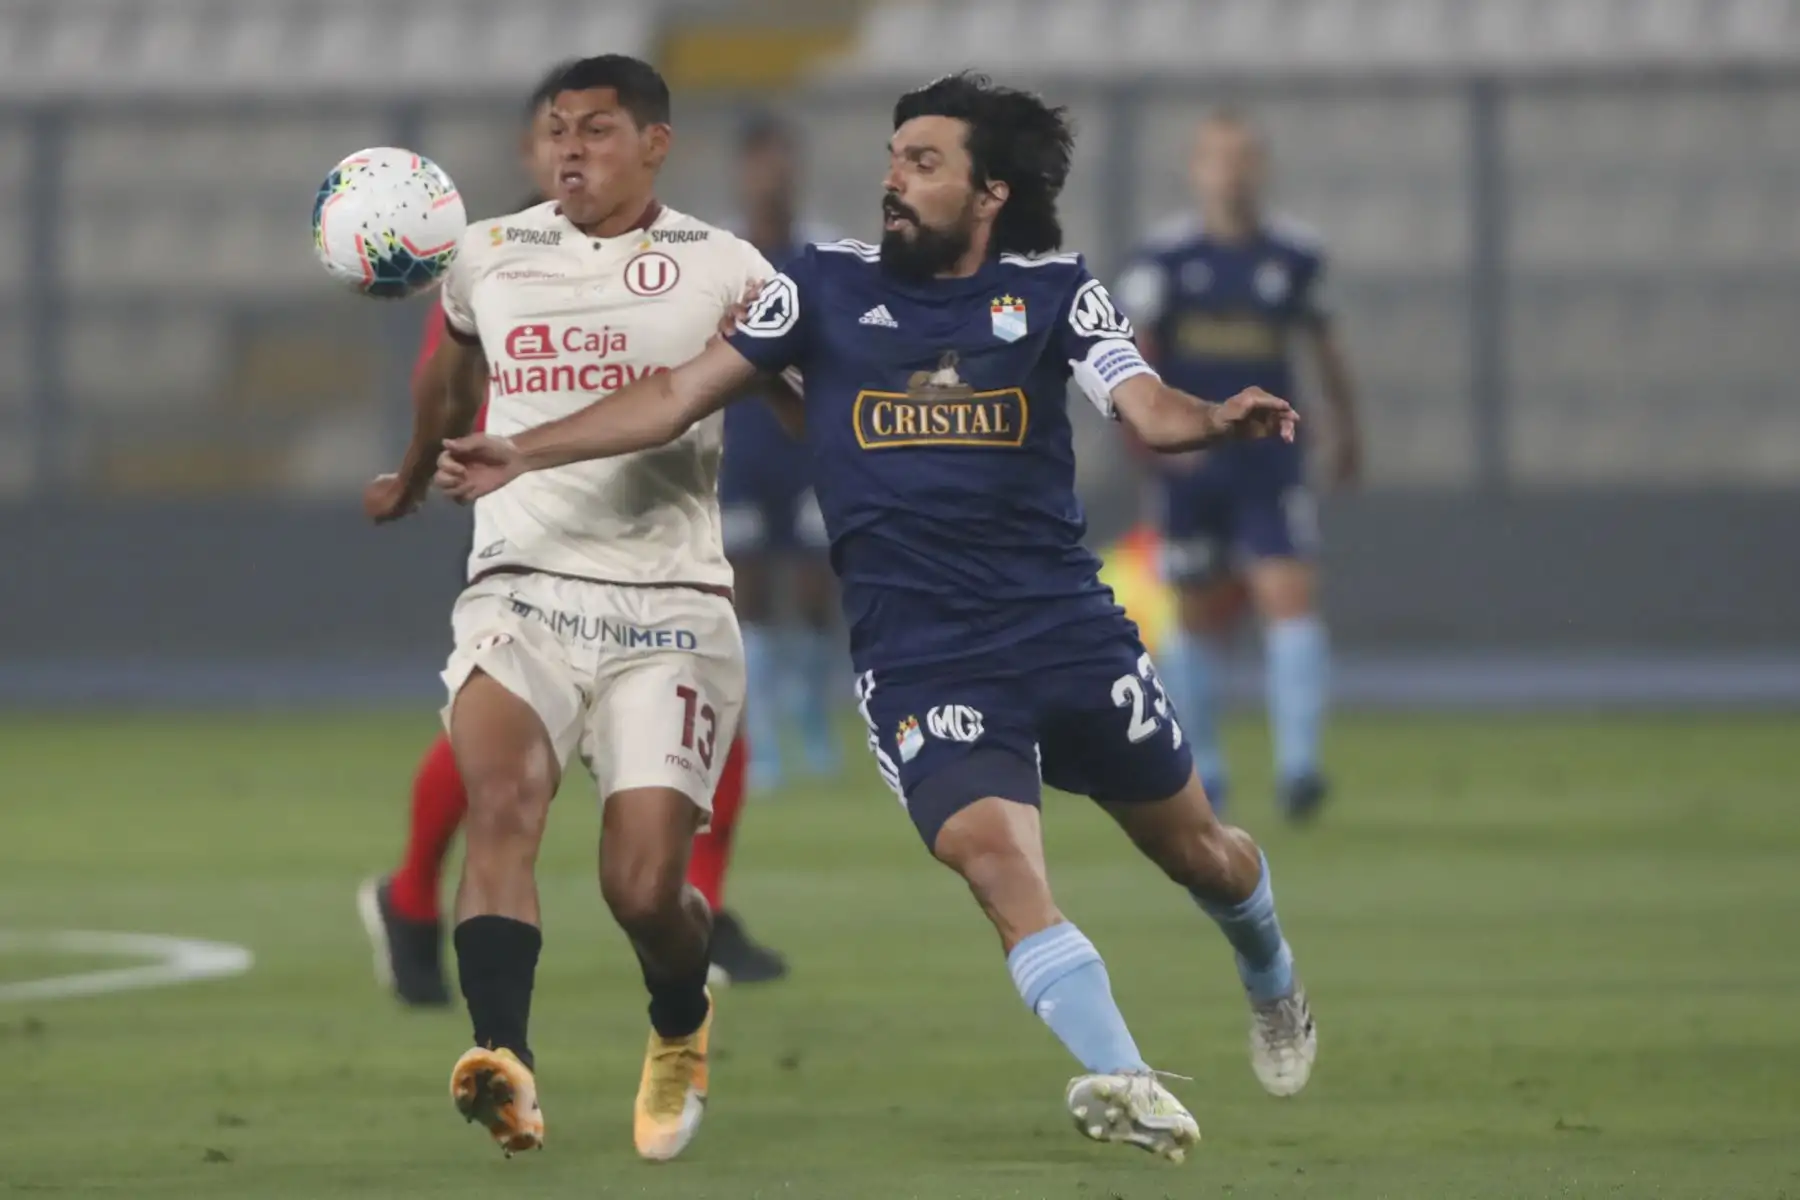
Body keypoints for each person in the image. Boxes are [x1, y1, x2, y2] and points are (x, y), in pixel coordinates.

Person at [437, 72, 1318, 1162]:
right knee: (996, 862)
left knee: (1204, 857)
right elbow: (673, 395)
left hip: (1066, 633)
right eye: (895, 157)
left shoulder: (1053, 293)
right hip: (923, 656)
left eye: (923, 163)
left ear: (989, 190)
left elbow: (1146, 403)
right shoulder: (818, 287)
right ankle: (1127, 1077)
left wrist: (1218, 418)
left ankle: (1271, 973)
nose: (892, 180)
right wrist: (521, 446)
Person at [364, 54, 785, 1162]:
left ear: (656, 143)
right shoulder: (489, 254)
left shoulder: (722, 265)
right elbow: (451, 372)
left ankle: (681, 1020)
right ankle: (503, 1058)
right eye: (555, 129)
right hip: (521, 588)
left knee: (645, 889)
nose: (569, 150)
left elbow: (803, 394)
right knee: (502, 796)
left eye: (597, 130)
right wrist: (415, 467)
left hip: (671, 604)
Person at [1113, 109, 1362, 822]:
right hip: (1192, 465)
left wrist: (1347, 428)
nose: (1232, 170)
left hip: (1270, 462)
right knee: (1190, 618)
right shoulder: (1163, 258)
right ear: (1196, 169)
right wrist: (1147, 441)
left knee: (1288, 596)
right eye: (1218, 157)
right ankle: (1207, 770)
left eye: (1244, 156)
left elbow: (1325, 349)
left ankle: (1299, 768)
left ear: (1262, 166)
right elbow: (1133, 353)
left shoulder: (1294, 255)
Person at [719, 112, 841, 795]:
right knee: (750, 594)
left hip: (809, 445)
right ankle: (761, 734)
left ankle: (814, 717)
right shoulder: (720, 254)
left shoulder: (820, 253)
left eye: (781, 161)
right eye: (760, 162)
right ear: (744, 173)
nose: (772, 176)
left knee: (816, 589)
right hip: (742, 445)